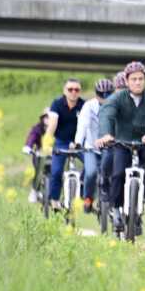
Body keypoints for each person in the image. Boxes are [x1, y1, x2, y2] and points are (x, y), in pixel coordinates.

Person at [96, 61, 145, 233]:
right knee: (117, 174)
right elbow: (106, 112)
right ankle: (116, 209)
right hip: (122, 142)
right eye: (134, 79)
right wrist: (106, 133)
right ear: (127, 81)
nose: (137, 82)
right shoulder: (118, 97)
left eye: (140, 79)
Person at [72, 78, 114, 213]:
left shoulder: (116, 106)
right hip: (91, 148)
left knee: (113, 174)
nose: (105, 98)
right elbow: (82, 124)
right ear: (96, 94)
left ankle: (114, 203)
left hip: (110, 147)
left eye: (108, 94)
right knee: (90, 173)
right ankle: (88, 198)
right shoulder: (89, 106)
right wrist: (78, 142)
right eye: (102, 95)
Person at [43, 78, 85, 210]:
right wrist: (47, 144)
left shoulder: (84, 105)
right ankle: (54, 200)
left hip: (79, 143)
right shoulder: (57, 104)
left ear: (80, 92)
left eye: (76, 90)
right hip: (61, 142)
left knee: (92, 166)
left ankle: (82, 187)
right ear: (64, 91)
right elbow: (52, 125)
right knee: (56, 172)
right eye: (70, 89)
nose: (73, 92)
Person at [97, 71, 127, 210]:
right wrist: (106, 135)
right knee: (108, 157)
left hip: (130, 142)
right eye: (120, 88)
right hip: (113, 141)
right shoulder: (111, 102)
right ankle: (104, 181)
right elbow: (104, 118)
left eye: (125, 89)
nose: (122, 92)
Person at [23, 107, 50, 203]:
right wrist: (28, 146)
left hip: (54, 155)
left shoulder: (58, 128)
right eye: (46, 117)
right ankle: (34, 190)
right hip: (40, 154)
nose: (48, 120)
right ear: (42, 118)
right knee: (38, 171)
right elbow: (32, 137)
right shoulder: (38, 128)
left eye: (50, 117)